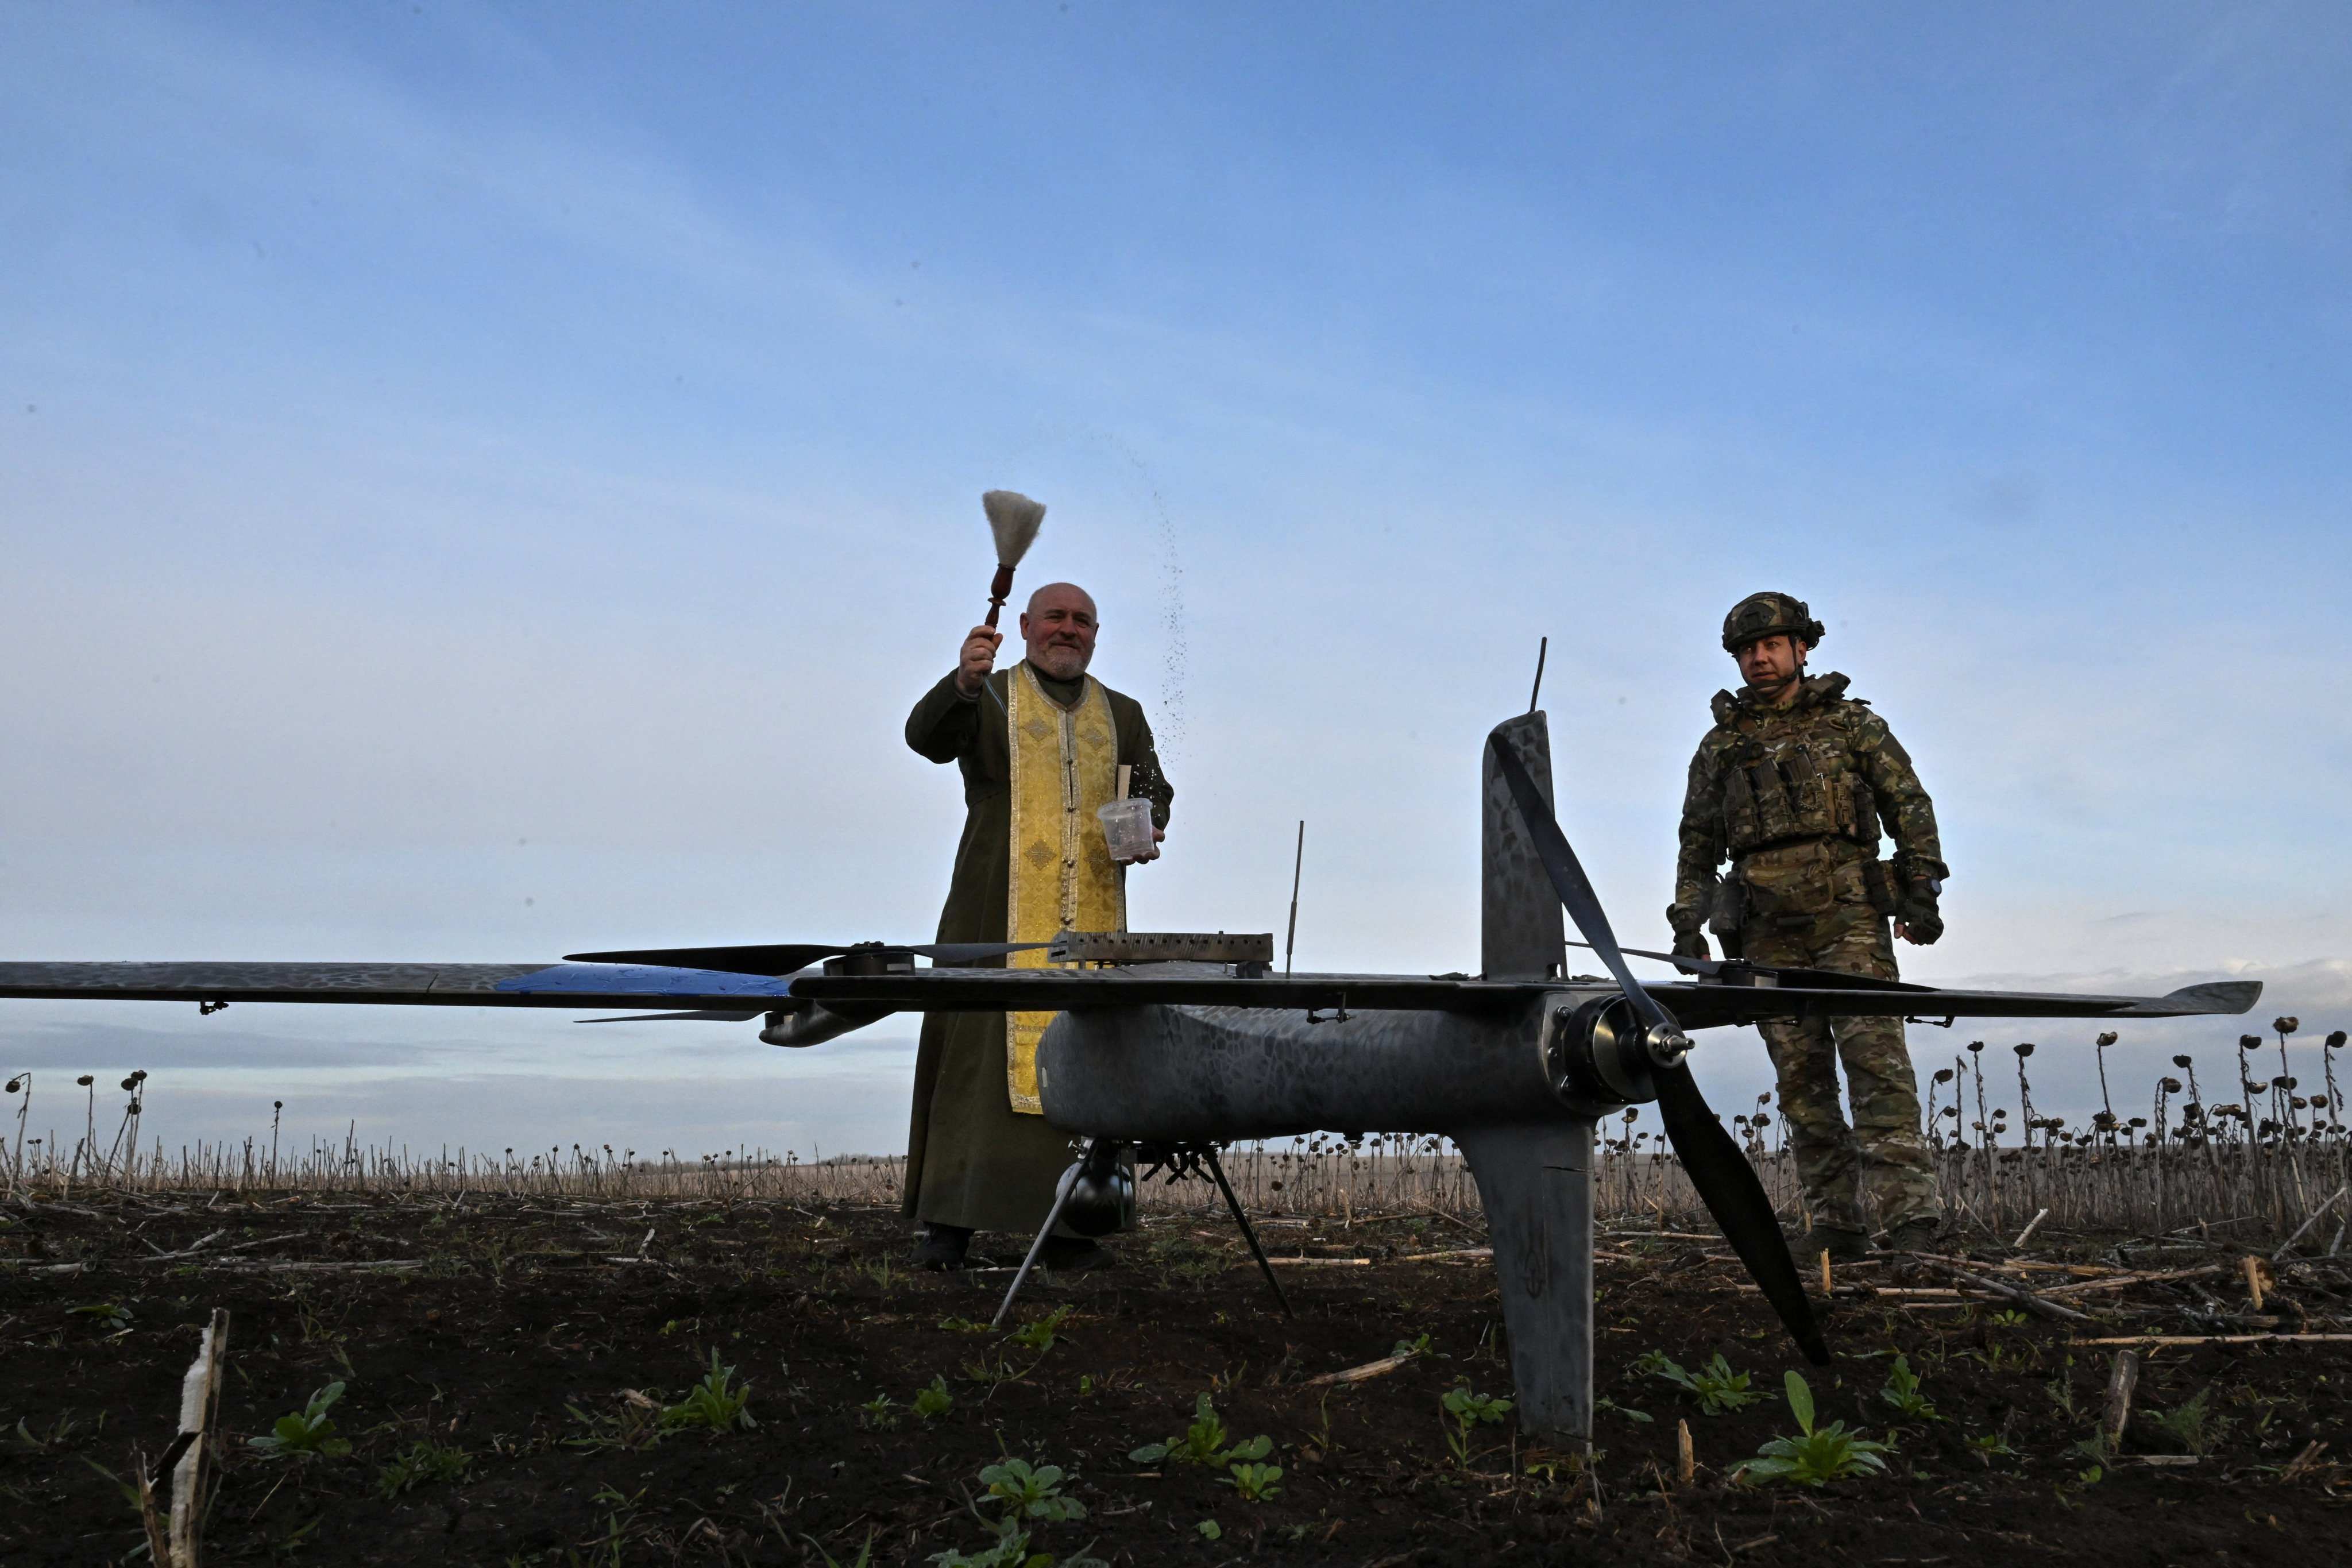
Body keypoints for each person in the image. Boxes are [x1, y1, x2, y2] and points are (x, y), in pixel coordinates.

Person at [900, 581, 1173, 1270]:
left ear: (1096, 634)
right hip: (994, 910)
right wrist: (962, 680)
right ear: (1024, 625)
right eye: (1056, 616)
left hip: (1092, 925)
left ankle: (1070, 1234)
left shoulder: (1125, 713)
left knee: (1084, 1067)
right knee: (975, 1058)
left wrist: (1150, 824)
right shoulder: (989, 693)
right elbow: (924, 740)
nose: (1068, 629)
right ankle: (948, 1227)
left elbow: (1150, 792)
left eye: (1083, 621)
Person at [1667, 592, 1949, 1257]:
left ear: (1802, 648)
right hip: (1765, 928)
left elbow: (1908, 804)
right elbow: (1697, 841)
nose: (1758, 659)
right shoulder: (1722, 746)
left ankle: (1913, 1226)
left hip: (1847, 915)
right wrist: (1688, 924)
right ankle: (1837, 1227)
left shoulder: (1853, 726)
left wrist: (1921, 889)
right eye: (1746, 650)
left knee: (1877, 1069)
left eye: (1770, 645)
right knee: (1802, 1084)